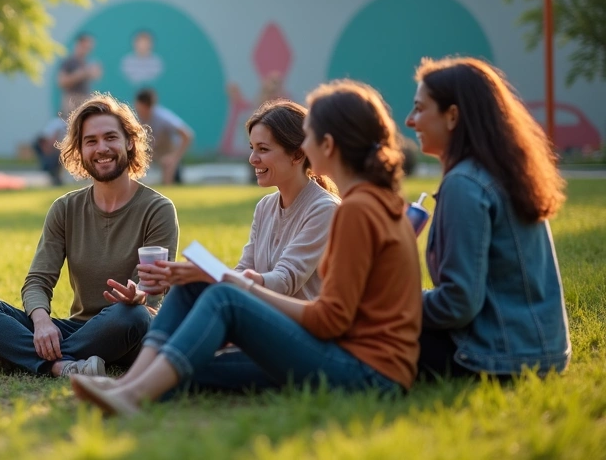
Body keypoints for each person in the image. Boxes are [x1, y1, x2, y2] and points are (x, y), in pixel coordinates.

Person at [73, 80, 422, 415]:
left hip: (366, 373)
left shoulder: (353, 210)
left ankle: (133, 395)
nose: (306, 142)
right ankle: (130, 385)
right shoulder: (364, 203)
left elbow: (329, 320)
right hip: (341, 355)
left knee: (220, 304)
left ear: (325, 145)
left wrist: (236, 285)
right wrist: (217, 279)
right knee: (197, 310)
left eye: (310, 134)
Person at [0, 93, 179, 378]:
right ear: (80, 150)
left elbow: (153, 293)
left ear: (130, 142)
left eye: (111, 137)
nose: (102, 148)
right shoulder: (65, 208)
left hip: (131, 325)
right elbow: (37, 281)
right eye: (91, 141)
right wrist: (42, 322)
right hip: (80, 328)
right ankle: (61, 364)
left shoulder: (158, 208)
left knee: (131, 315)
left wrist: (140, 295)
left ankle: (14, 355)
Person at [406, 57, 571, 378]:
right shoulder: (504, 171)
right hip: (540, 350)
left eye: (419, 108)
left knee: (366, 333)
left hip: (498, 355)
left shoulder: (464, 184)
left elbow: (458, 303)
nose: (410, 121)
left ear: (452, 116)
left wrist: (393, 304)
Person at [146, 99, 340, 301]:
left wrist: (213, 275)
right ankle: (156, 333)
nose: (252, 158)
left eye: (263, 149)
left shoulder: (324, 209)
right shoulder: (265, 206)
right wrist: (199, 274)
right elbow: (244, 269)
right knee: (188, 287)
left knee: (215, 296)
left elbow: (284, 282)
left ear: (298, 154)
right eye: (252, 148)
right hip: (263, 313)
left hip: (297, 325)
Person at [133, 88, 194, 185]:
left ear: (145, 106)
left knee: (168, 171)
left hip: (166, 153)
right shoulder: (136, 118)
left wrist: (174, 158)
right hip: (149, 153)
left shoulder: (163, 117)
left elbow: (187, 135)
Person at [57, 33, 102, 113]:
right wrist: (81, 74)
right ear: (79, 44)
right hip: (71, 101)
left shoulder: (88, 62)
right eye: (85, 46)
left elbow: (97, 76)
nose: (87, 49)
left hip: (85, 100)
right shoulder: (69, 62)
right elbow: (61, 82)